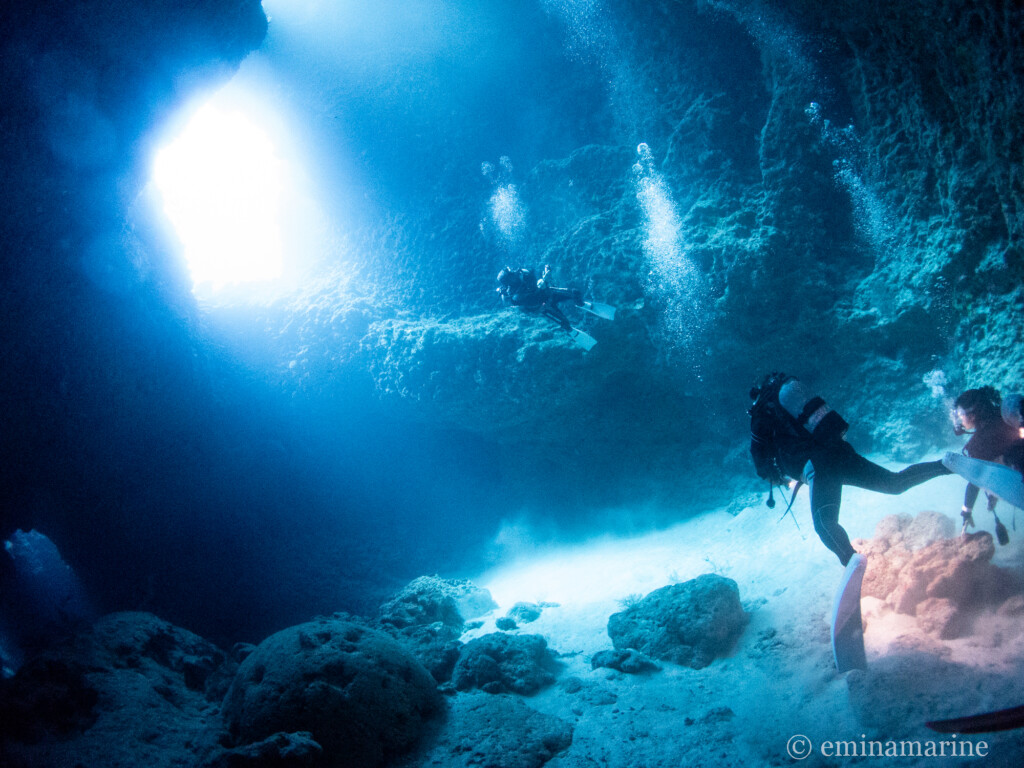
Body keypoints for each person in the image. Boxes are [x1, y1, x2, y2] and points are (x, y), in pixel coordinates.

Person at [749, 372, 950, 566]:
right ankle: (946, 464)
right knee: (894, 483)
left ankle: (853, 563)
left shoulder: (761, 416)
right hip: (840, 450)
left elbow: (762, 468)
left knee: (824, 525)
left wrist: (783, 480)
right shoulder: (791, 397)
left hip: (819, 467)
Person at [952, 387, 1024, 542]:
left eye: (960, 414)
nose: (959, 420)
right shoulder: (1001, 415)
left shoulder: (979, 443)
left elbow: (975, 478)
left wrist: (966, 511)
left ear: (972, 415)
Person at [496, 264, 583, 331]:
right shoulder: (515, 296)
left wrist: (545, 277)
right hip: (544, 306)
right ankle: (570, 331)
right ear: (509, 281)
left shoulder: (523, 274)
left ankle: (581, 304)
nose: (513, 272)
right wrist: (543, 283)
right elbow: (530, 304)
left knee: (575, 292)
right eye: (510, 274)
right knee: (565, 323)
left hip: (548, 293)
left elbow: (534, 280)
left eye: (511, 271)